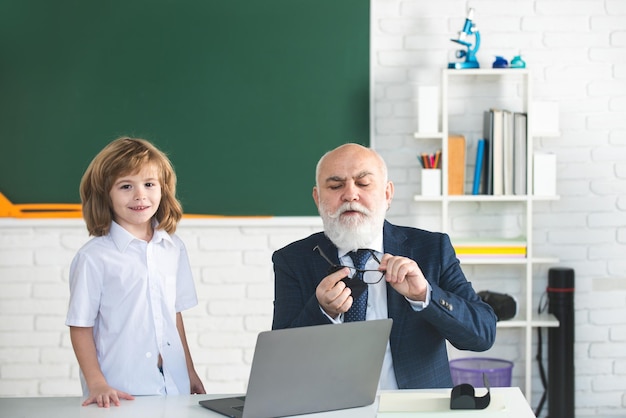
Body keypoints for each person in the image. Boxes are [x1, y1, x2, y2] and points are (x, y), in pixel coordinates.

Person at [271, 143, 497, 389]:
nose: (350, 195)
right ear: (317, 198)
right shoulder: (292, 260)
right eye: (336, 186)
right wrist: (322, 311)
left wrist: (425, 295)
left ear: (387, 194)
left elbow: (482, 335)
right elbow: (281, 361)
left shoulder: (432, 248)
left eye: (363, 183)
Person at [65, 137, 205, 407]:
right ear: (105, 194)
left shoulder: (173, 248)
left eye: (149, 184)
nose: (140, 195)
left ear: (163, 189)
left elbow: (173, 314)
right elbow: (80, 326)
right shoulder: (93, 257)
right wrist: (96, 384)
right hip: (118, 391)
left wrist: (188, 370)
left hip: (173, 387)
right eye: (126, 186)